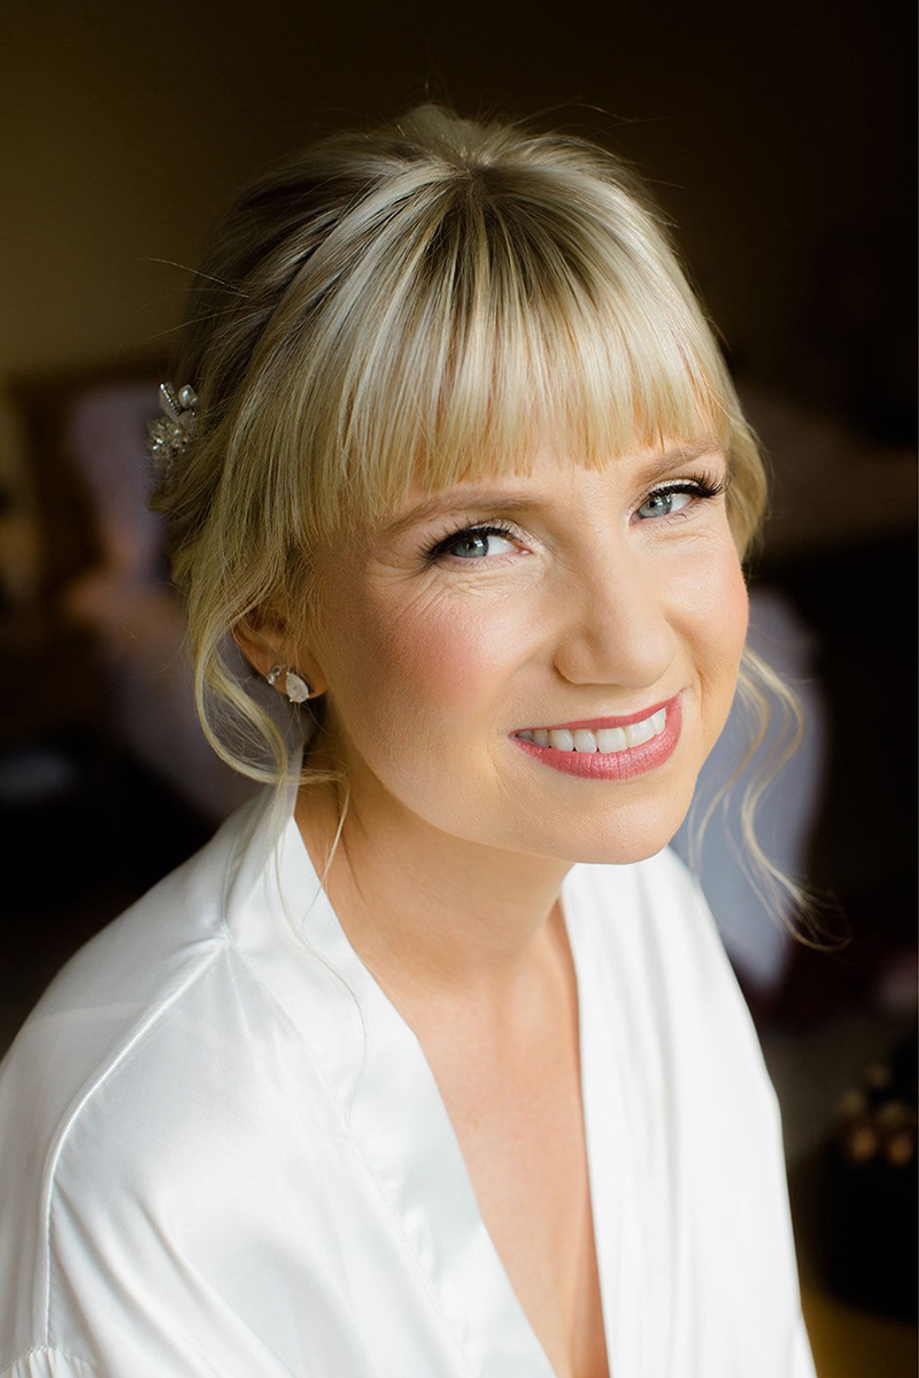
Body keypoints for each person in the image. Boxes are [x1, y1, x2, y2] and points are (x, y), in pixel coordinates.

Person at [0, 104, 818, 1377]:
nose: (632, 644)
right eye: (478, 536)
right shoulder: (150, 1147)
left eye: (670, 494)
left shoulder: (647, 922)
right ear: (272, 611)